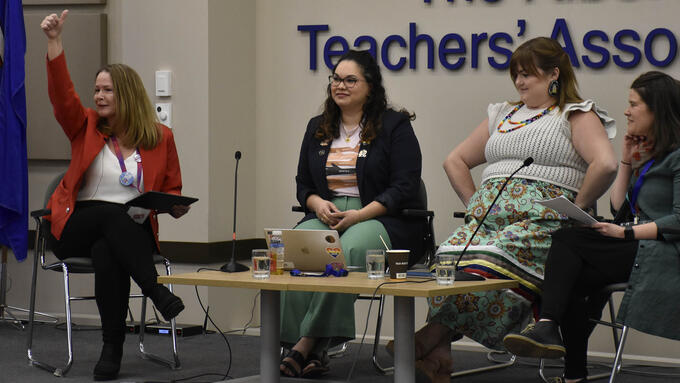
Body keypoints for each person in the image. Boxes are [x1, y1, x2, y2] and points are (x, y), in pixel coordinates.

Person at [399, 37, 619, 383]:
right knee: (449, 259)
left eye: (527, 74)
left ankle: (433, 339)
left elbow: (605, 164)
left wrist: (576, 208)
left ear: (553, 75)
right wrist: (476, 206)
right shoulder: (503, 113)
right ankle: (439, 344)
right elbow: (454, 160)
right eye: (515, 74)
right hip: (487, 222)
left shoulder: (576, 113)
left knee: (490, 259)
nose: (519, 82)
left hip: (541, 222)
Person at [503, 71, 680, 383]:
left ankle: (547, 324)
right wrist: (626, 162)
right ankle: (573, 375)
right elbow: (618, 207)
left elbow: (678, 221)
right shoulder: (651, 155)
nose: (626, 111)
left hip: (663, 250)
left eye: (633, 105)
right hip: (637, 243)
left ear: (657, 109)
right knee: (574, 280)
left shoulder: (678, 158)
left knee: (567, 239)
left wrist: (624, 232)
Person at [41, 11, 189, 381]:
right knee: (111, 215)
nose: (99, 96)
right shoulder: (85, 125)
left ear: (128, 95)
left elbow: (171, 190)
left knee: (110, 247)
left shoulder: (160, 138)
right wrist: (54, 42)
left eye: (108, 90)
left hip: (130, 229)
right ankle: (155, 289)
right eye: (97, 90)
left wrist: (174, 206)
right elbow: (62, 97)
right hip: (75, 227)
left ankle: (112, 349)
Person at [279, 49, 423, 378]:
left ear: (370, 86)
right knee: (298, 246)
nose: (339, 85)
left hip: (378, 216)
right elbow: (303, 183)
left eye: (349, 80)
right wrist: (316, 204)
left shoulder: (394, 125)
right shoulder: (318, 126)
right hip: (327, 213)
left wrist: (358, 216)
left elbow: (404, 186)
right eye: (335, 79)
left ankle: (305, 345)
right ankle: (311, 347)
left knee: (342, 252)